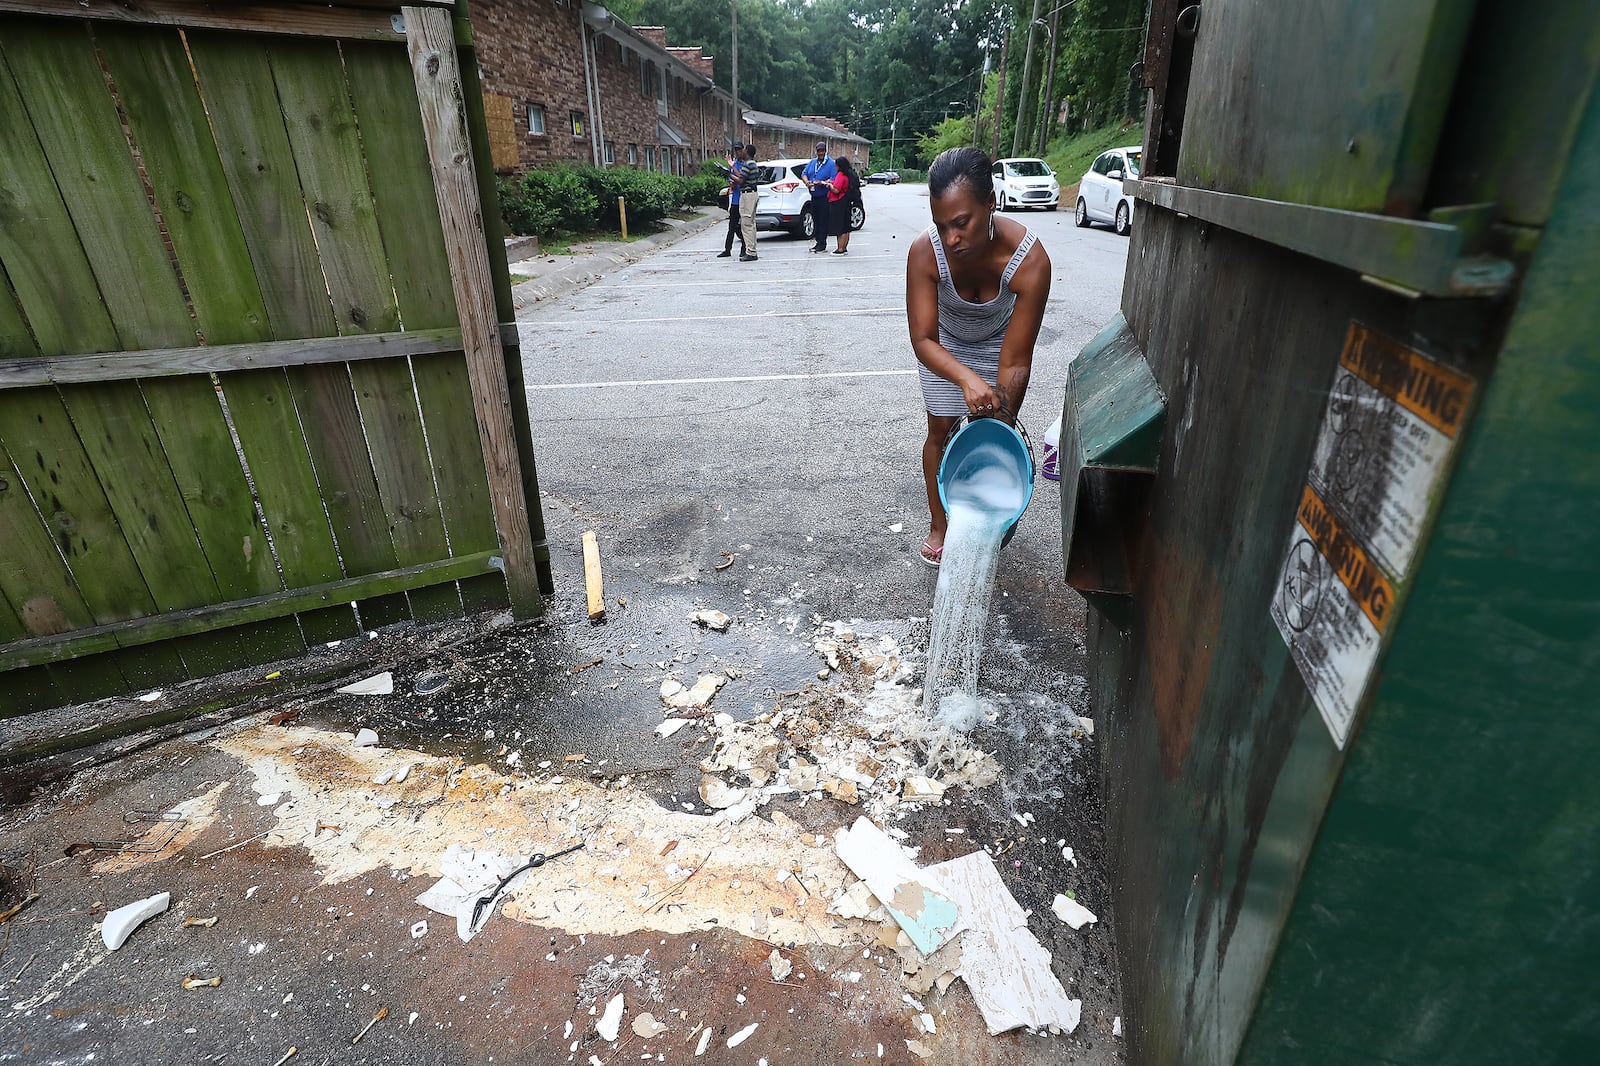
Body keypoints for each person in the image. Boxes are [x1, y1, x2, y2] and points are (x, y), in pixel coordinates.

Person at [906, 146, 1051, 567]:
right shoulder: (925, 252)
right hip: (943, 345)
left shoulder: (1030, 260)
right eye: (941, 225)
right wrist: (966, 379)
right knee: (941, 428)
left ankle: (986, 511)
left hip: (998, 341)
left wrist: (1001, 412)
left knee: (993, 430)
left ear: (991, 203)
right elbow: (922, 339)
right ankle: (940, 522)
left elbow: (1017, 358)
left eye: (962, 223)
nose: (951, 238)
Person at [801, 141, 837, 252]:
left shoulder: (831, 164)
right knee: (815, 219)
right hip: (814, 196)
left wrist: (821, 182)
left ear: (825, 151)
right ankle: (817, 241)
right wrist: (807, 182)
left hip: (824, 197)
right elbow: (804, 173)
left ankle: (822, 243)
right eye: (818, 151)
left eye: (822, 150)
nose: (820, 153)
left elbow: (833, 179)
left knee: (823, 220)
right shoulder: (812, 162)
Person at [717, 142, 748, 258]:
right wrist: (731, 183)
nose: (738, 152)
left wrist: (733, 169)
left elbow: (741, 178)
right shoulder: (734, 164)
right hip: (735, 199)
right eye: (736, 150)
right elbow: (732, 179)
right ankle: (727, 249)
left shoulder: (746, 164)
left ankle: (744, 249)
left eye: (740, 150)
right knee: (732, 226)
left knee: (744, 225)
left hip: (744, 199)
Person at [827, 156, 860, 255]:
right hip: (846, 202)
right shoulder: (848, 175)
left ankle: (840, 248)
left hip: (839, 202)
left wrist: (829, 185)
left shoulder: (840, 175)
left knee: (839, 226)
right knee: (846, 226)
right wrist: (832, 182)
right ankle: (844, 247)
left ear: (839, 166)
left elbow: (836, 190)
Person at [737, 143, 761, 262]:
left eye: (744, 149)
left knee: (746, 224)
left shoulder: (747, 164)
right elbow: (743, 177)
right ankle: (752, 250)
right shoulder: (753, 164)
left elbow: (741, 181)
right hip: (753, 194)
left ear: (747, 151)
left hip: (748, 196)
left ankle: (750, 252)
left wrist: (730, 174)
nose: (743, 151)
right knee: (751, 224)